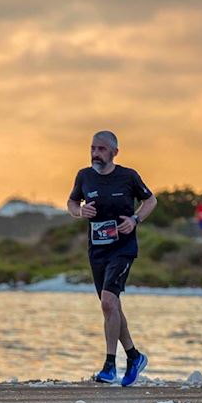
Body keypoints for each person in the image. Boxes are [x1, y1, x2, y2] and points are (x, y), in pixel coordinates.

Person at [67, 130, 158, 387]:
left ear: (114, 152)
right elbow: (72, 203)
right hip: (97, 250)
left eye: (101, 149)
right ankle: (134, 356)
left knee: (108, 302)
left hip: (123, 248)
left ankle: (109, 366)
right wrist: (80, 211)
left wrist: (135, 219)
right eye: (93, 148)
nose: (95, 153)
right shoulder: (84, 176)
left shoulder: (127, 176)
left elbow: (151, 200)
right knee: (112, 306)